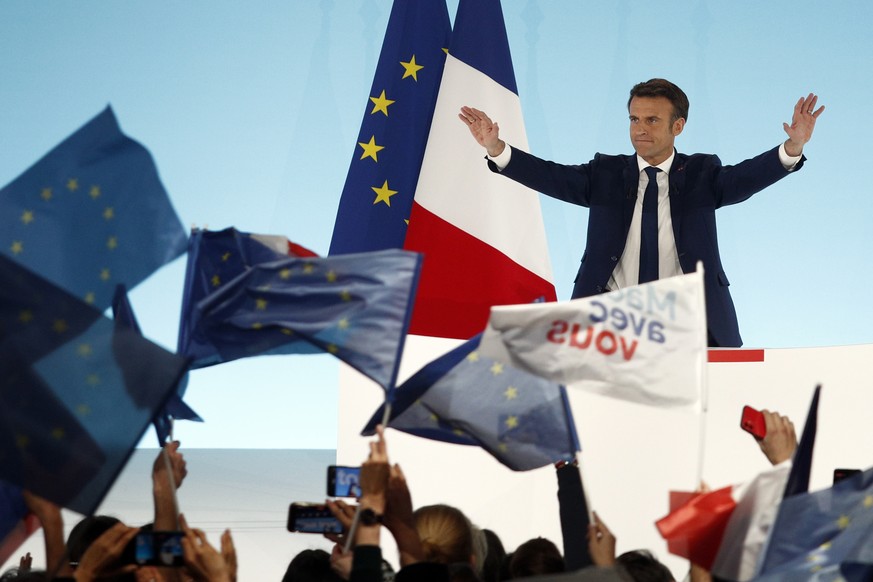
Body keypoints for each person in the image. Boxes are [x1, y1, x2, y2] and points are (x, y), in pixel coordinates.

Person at [458, 79, 825, 347]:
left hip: (689, 327)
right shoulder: (604, 173)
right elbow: (551, 177)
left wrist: (793, 146)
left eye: (651, 120)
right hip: (607, 324)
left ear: (677, 126)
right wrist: (497, 148)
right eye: (635, 119)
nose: (640, 130)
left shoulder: (702, 173)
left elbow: (747, 177)